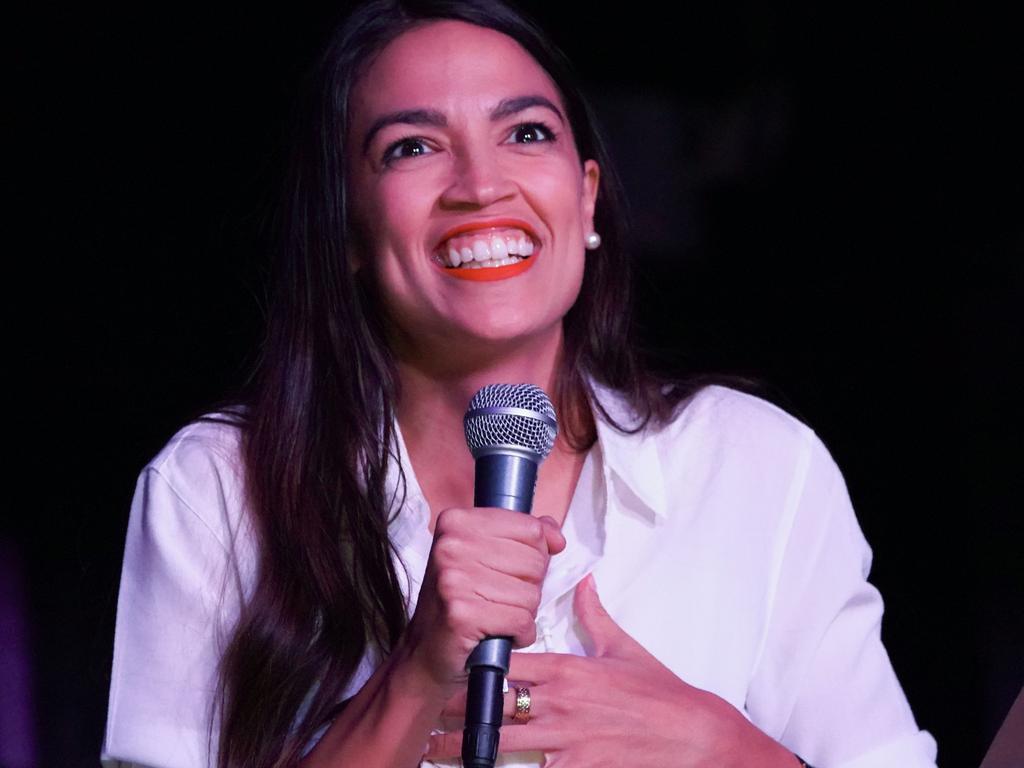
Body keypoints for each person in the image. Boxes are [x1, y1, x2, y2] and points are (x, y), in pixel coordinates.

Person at [101, 1, 939, 767]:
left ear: (587, 200)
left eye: (527, 133)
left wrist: (718, 746)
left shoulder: (757, 464)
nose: (480, 185)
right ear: (347, 229)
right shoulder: (218, 489)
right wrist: (415, 673)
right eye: (412, 148)